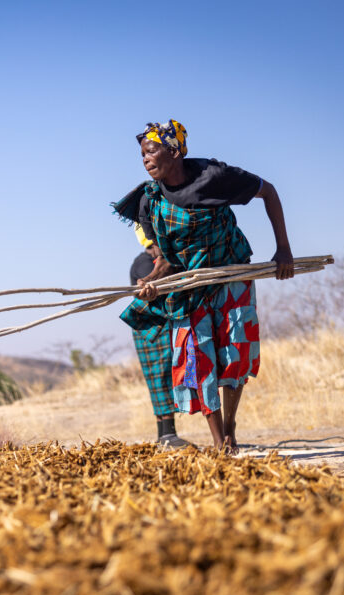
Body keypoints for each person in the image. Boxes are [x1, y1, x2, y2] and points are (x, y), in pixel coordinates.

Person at [114, 119, 294, 451]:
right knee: (198, 356)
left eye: (151, 151)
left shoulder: (215, 177)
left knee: (234, 350)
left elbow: (268, 191)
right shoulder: (151, 201)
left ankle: (230, 425)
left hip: (231, 272)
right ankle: (219, 440)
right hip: (190, 281)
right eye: (141, 154)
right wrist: (152, 282)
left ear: (174, 151)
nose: (145, 159)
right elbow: (168, 257)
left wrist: (283, 249)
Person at [128, 226, 188, 448]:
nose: (158, 250)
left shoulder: (155, 261)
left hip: (156, 324)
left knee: (163, 376)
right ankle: (166, 435)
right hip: (150, 326)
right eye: (156, 246)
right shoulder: (145, 264)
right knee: (159, 377)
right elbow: (154, 288)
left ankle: (166, 434)